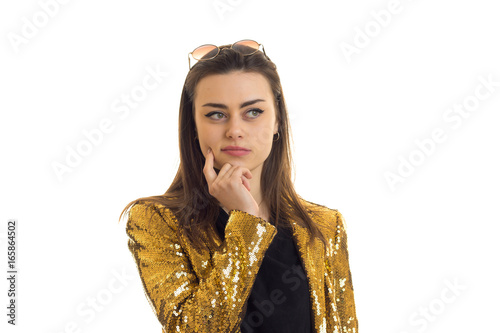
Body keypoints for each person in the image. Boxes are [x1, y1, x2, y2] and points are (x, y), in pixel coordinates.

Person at [119, 39, 358, 332]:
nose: (235, 130)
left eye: (253, 112)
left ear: (278, 121)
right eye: (216, 114)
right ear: (193, 126)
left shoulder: (323, 227)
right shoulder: (156, 221)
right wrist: (245, 224)